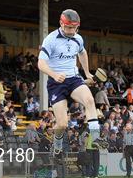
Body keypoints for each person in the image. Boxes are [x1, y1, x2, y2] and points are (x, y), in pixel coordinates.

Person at [37, 9, 104, 157]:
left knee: (89, 100)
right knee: (62, 124)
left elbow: (82, 52)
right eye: (68, 27)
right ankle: (58, 142)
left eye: (74, 28)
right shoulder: (50, 39)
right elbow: (41, 64)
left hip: (74, 78)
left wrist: (86, 73)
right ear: (61, 23)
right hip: (56, 83)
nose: (71, 31)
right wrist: (54, 74)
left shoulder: (78, 38)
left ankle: (95, 136)